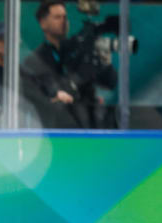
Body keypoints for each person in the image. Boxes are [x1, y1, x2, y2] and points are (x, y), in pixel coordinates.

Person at [22, 0, 117, 128]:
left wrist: (106, 62)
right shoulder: (35, 60)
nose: (64, 21)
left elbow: (109, 83)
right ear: (43, 23)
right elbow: (51, 94)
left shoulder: (79, 49)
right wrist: (76, 78)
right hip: (58, 129)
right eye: (57, 17)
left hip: (89, 124)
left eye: (65, 17)